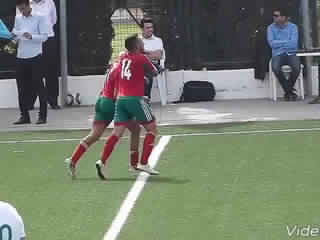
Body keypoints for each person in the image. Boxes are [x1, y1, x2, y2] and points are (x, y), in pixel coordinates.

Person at [95, 34, 160, 179]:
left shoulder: (124, 58)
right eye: (140, 42)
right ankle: (143, 163)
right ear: (137, 46)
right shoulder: (141, 58)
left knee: (117, 133)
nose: (142, 43)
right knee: (152, 129)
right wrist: (150, 63)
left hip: (120, 100)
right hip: (136, 99)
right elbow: (154, 73)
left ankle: (102, 161)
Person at [65, 60, 141, 180]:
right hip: (112, 103)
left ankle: (73, 160)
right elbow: (117, 93)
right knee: (135, 129)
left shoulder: (114, 67)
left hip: (102, 101)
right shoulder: (121, 70)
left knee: (95, 135)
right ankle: (132, 164)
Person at [17, 0, 60, 109]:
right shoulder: (26, 3)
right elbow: (20, 21)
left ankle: (53, 100)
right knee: (32, 71)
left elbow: (54, 20)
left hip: (48, 38)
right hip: (31, 40)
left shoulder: (49, 2)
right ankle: (30, 102)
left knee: (51, 70)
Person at [12, 0, 49, 124]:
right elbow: (16, 34)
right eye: (20, 9)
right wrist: (13, 36)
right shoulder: (18, 18)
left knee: (39, 86)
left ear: (28, 5)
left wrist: (31, 36)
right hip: (21, 56)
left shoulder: (40, 17)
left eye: (23, 8)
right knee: (21, 88)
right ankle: (24, 116)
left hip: (35, 56)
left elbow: (44, 37)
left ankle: (42, 116)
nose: (22, 11)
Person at [267, 7, 300, 101]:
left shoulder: (293, 27)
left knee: (297, 68)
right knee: (275, 68)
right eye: (274, 15)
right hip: (277, 54)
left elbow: (293, 44)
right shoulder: (270, 28)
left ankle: (288, 91)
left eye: (276, 15)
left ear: (284, 17)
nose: (274, 17)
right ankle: (289, 91)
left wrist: (279, 43)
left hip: (291, 53)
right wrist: (286, 42)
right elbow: (272, 44)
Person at [140, 18, 165, 100]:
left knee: (147, 69)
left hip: (154, 65)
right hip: (138, 64)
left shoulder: (158, 40)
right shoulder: (137, 40)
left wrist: (144, 53)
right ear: (142, 29)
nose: (150, 30)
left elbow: (158, 56)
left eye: (151, 27)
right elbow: (132, 55)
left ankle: (146, 98)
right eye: (147, 28)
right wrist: (150, 53)